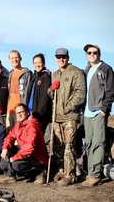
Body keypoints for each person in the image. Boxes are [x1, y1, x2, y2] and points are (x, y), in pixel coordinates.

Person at [47, 48, 85, 186]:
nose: (61, 59)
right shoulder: (55, 74)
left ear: (68, 57)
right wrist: (51, 89)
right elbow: (51, 95)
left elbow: (80, 94)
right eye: (58, 56)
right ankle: (62, 170)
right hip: (56, 117)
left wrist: (67, 107)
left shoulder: (76, 72)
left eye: (63, 56)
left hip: (70, 116)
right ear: (56, 58)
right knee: (58, 145)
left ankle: (70, 174)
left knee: (70, 145)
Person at [82, 44, 114, 186]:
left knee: (98, 142)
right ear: (87, 55)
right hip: (87, 112)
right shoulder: (87, 68)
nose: (92, 55)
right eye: (89, 52)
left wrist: (104, 110)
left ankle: (96, 174)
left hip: (98, 112)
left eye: (95, 52)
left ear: (99, 54)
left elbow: (111, 91)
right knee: (88, 142)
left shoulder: (106, 69)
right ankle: (90, 172)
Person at [0, 103, 48, 185]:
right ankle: (10, 176)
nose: (19, 115)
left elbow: (29, 148)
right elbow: (9, 137)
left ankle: (39, 172)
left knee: (15, 165)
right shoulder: (18, 124)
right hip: (25, 153)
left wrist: (13, 158)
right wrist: (5, 148)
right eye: (17, 113)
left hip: (36, 157)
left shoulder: (32, 125)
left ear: (27, 112)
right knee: (3, 160)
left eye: (21, 112)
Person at [6, 50, 32, 132]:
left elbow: (29, 92)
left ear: (20, 58)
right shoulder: (10, 73)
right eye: (12, 58)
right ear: (9, 60)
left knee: (20, 135)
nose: (14, 60)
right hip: (10, 110)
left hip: (21, 111)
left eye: (16, 57)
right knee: (10, 134)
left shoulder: (27, 74)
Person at [26, 53, 52, 133]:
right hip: (31, 112)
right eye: (35, 63)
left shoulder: (45, 77)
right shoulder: (34, 76)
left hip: (39, 115)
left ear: (43, 63)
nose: (37, 65)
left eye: (39, 62)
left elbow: (44, 98)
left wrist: (38, 115)